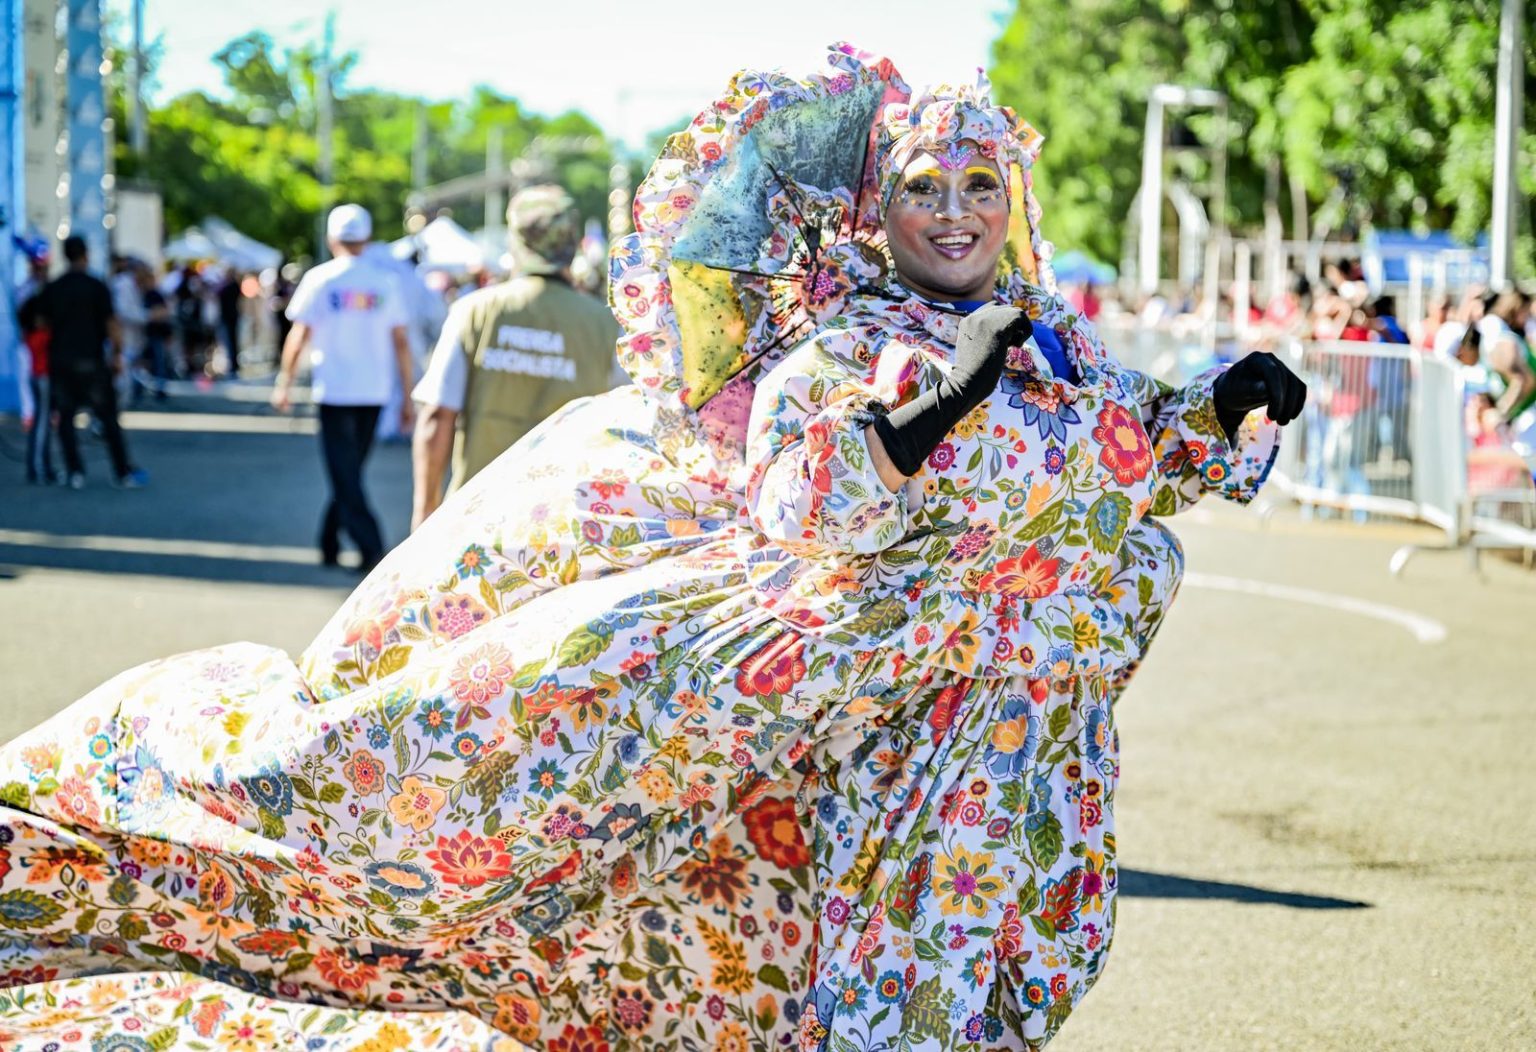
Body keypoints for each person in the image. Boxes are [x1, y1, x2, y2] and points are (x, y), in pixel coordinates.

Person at [0, 49, 1304, 1050]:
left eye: (978, 184)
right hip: (853, 742)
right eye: (922, 187)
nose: (956, 212)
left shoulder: (1060, 352)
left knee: (975, 983)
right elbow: (810, 500)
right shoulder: (852, 344)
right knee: (816, 970)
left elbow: (1145, 455)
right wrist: (931, 410)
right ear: (879, 211)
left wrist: (1219, 404)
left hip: (1012, 752)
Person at [411, 185, 622, 530]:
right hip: (568, 523)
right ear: (571, 244)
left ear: (515, 241)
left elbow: (436, 416)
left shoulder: (476, 311)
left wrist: (424, 512)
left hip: (475, 518)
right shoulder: (605, 325)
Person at [272, 204, 415, 572]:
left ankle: (372, 548)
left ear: (331, 238)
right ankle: (330, 542)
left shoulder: (321, 279)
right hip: (375, 391)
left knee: (345, 473)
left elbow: (298, 334)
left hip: (335, 390)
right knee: (348, 472)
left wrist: (284, 381)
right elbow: (401, 343)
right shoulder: (385, 282)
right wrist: (408, 395)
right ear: (366, 239)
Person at [31, 235, 148, 489]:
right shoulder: (96, 286)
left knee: (66, 418)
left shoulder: (55, 287)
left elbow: (40, 322)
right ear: (86, 254)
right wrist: (117, 355)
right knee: (107, 417)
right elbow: (111, 323)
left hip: (61, 360)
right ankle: (122, 471)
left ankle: (75, 471)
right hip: (92, 359)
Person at [14, 243, 58, 484]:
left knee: (45, 419)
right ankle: (38, 467)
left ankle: (44, 465)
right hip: (38, 370)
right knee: (40, 420)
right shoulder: (35, 332)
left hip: (42, 369)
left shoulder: (41, 293)